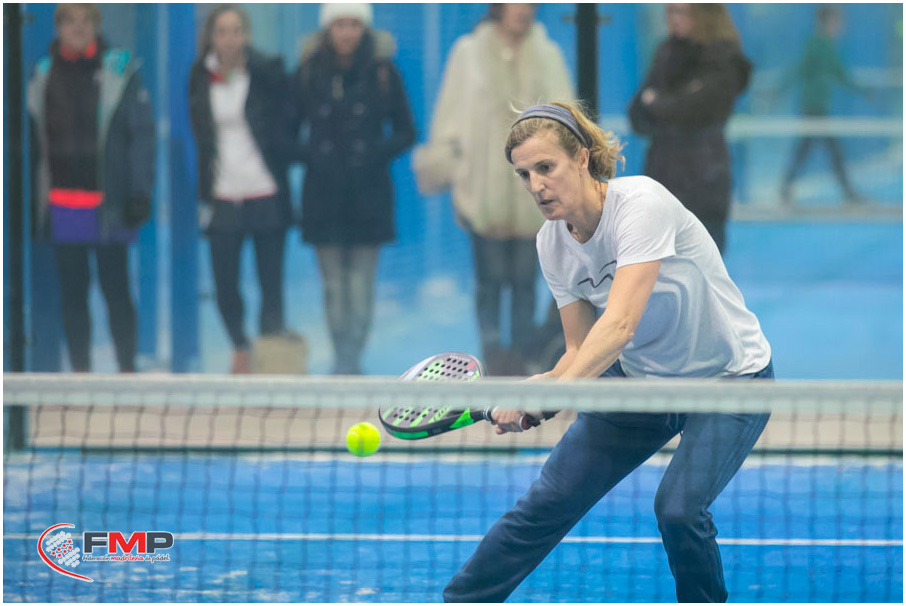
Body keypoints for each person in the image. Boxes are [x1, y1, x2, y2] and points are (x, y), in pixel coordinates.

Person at [443, 102, 773, 603]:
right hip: (639, 383)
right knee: (549, 499)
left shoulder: (641, 204)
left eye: (546, 167)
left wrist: (553, 392)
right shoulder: (551, 243)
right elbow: (578, 348)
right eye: (524, 175)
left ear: (581, 157)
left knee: (679, 510)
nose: (536, 185)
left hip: (730, 381)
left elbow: (618, 326)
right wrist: (543, 386)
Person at [414, 4, 573, 376]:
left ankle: (520, 359)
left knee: (525, 282)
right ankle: (490, 358)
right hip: (482, 193)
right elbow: (449, 116)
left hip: (533, 195)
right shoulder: (468, 54)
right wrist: (453, 167)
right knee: (488, 282)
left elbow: (565, 120)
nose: (524, 9)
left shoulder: (548, 55)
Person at [27, 3, 155, 373]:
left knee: (117, 290)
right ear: (58, 28)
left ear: (97, 26)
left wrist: (139, 192)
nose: (78, 28)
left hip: (109, 205)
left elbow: (140, 137)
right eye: (70, 21)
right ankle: (80, 375)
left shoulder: (120, 72)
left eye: (86, 21)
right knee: (73, 295)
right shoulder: (41, 76)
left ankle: (127, 372)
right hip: (63, 204)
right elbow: (34, 146)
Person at [291, 3, 416, 375]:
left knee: (360, 286)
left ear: (365, 28)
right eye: (340, 24)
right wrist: (316, 154)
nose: (347, 32)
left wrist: (373, 152)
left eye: (353, 24)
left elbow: (407, 130)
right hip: (323, 196)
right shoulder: (308, 72)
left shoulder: (383, 72)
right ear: (327, 29)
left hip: (369, 196)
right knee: (333, 286)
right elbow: (283, 133)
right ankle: (341, 358)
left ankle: (352, 357)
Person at [189, 4, 292, 374]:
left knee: (270, 283)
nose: (230, 39)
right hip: (222, 196)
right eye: (222, 31)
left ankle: (269, 355)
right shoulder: (199, 77)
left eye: (236, 31)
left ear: (246, 35)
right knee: (225, 285)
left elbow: (285, 122)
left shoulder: (267, 73)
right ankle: (239, 344)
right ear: (212, 37)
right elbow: (202, 136)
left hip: (265, 192)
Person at [628, 3, 750, 254]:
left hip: (705, 176)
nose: (673, 19)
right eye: (670, 11)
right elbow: (637, 113)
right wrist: (668, 105)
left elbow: (695, 109)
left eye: (682, 12)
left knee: (702, 260)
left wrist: (657, 103)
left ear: (704, 14)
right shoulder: (666, 51)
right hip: (661, 174)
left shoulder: (723, 57)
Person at [778, 4, 869, 207]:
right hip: (814, 109)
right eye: (838, 22)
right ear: (828, 21)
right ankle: (848, 192)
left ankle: (787, 187)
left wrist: (863, 91)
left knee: (807, 150)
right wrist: (776, 91)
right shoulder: (816, 45)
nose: (841, 26)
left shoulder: (826, 45)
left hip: (818, 108)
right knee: (827, 150)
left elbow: (840, 74)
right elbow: (799, 71)